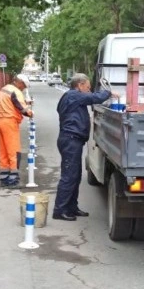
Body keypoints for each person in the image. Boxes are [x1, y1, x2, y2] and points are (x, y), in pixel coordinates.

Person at [53, 73, 118, 221]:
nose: (89, 91)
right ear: (80, 85)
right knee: (69, 176)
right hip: (70, 140)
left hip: (73, 140)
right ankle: (60, 209)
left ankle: (71, 207)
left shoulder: (74, 98)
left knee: (75, 176)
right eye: (87, 88)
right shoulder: (73, 95)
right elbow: (94, 98)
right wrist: (108, 93)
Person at [0, 74, 33, 187]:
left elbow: (12, 103)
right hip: (10, 122)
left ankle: (4, 177)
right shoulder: (16, 91)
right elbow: (22, 110)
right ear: (20, 82)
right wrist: (30, 112)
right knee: (14, 151)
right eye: (24, 86)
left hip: (0, 121)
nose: (23, 89)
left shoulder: (4, 89)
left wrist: (26, 103)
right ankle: (13, 178)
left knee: (3, 151)